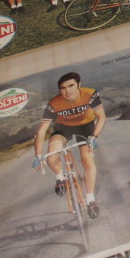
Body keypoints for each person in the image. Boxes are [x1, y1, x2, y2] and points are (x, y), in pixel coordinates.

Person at [32, 72, 106, 219]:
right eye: (63, 88)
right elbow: (41, 131)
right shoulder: (53, 103)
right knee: (51, 157)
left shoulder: (90, 94)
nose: (67, 91)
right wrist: (38, 155)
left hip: (85, 127)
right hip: (63, 128)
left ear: (79, 85)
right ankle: (60, 177)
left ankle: (90, 199)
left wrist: (94, 136)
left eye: (71, 86)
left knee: (87, 159)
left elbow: (101, 117)